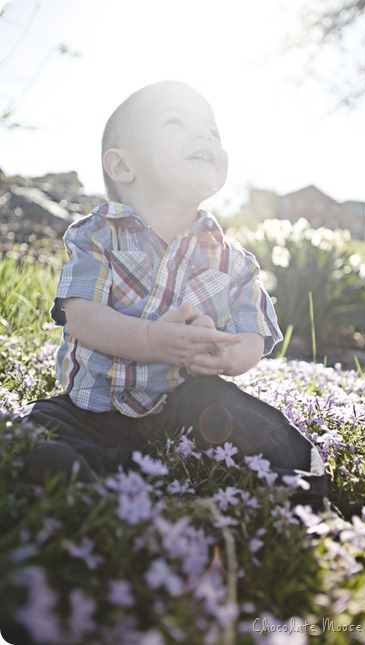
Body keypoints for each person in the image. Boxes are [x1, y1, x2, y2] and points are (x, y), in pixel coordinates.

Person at [20, 80, 327, 504]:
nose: (205, 136)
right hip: (93, 408)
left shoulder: (231, 259)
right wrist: (150, 340)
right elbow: (82, 315)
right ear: (123, 167)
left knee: (257, 423)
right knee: (41, 427)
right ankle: (91, 484)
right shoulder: (96, 235)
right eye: (176, 122)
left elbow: (252, 329)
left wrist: (232, 354)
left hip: (190, 410)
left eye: (213, 132)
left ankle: (303, 495)